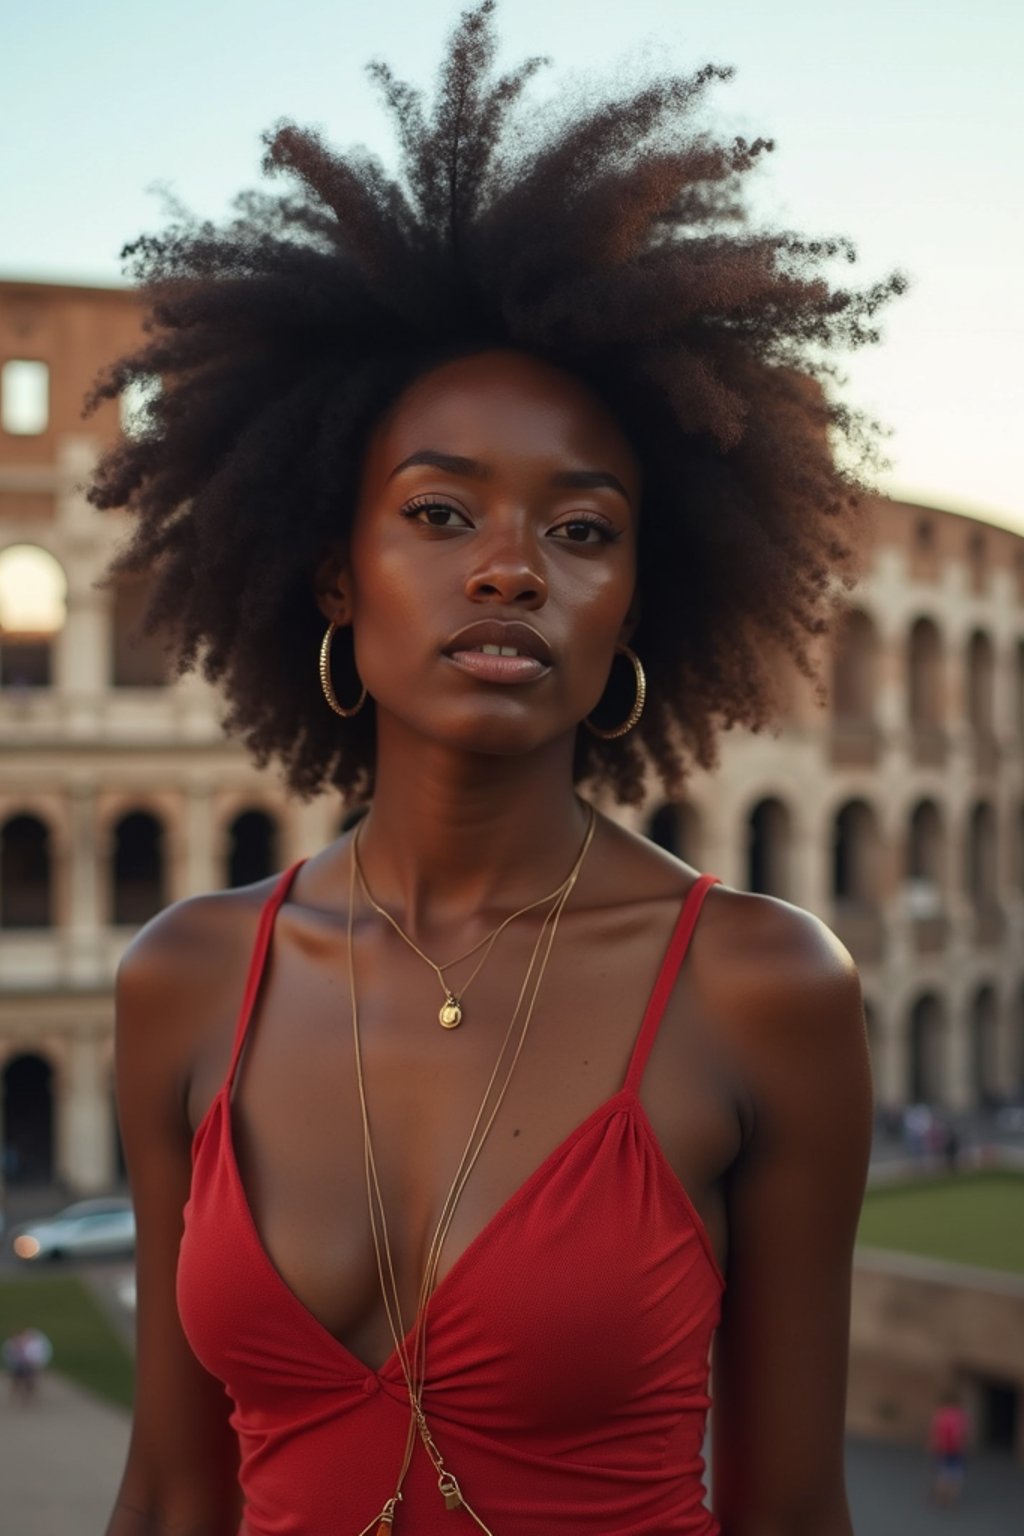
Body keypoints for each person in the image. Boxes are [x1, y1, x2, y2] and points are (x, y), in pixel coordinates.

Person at [90, 4, 897, 1532]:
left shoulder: (765, 988)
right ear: (335, 573)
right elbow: (174, 1495)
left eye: (581, 531)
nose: (514, 569)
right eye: (442, 513)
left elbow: (793, 1507)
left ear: (637, 601)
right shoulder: (185, 979)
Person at [928, 1390, 970, 1508]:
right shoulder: (960, 1417)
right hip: (955, 1449)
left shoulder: (941, 1415)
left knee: (942, 1472)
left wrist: (933, 1444)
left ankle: (941, 1497)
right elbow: (963, 1434)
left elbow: (935, 1432)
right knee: (955, 1474)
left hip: (942, 1448)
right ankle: (950, 1499)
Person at [2, 1325, 52, 1403]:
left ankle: (27, 1397)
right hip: (18, 1366)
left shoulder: (32, 1345)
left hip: (28, 1366)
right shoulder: (12, 1344)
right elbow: (10, 1356)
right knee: (16, 1382)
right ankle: (15, 1397)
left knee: (29, 1382)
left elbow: (35, 1355)